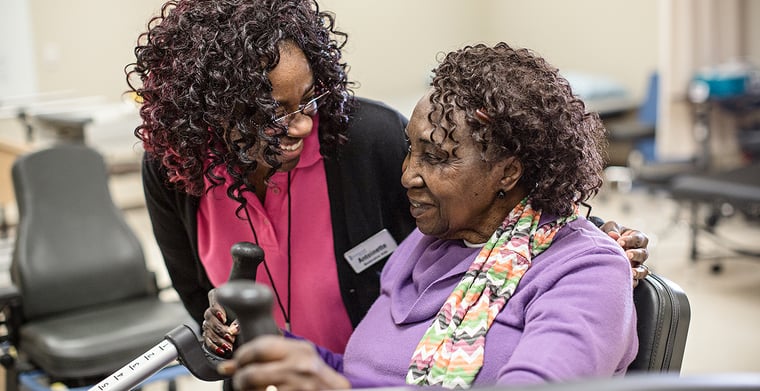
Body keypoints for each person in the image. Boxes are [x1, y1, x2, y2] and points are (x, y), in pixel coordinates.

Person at [126, 0, 649, 357]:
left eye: (309, 97)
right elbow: (200, 297)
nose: (303, 123)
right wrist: (218, 330)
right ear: (212, 109)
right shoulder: (176, 168)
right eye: (272, 111)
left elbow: (481, 195)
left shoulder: (368, 138)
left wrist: (580, 237)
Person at [218, 42, 638, 390]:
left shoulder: (585, 271)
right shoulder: (428, 242)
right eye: (410, 150)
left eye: (436, 158)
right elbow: (360, 374)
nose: (407, 176)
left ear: (508, 172)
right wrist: (269, 342)